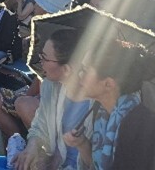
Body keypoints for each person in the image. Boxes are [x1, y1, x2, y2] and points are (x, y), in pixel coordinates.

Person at [0, 29, 92, 170]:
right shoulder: (51, 86)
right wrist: (31, 149)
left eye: (45, 58)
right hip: (52, 165)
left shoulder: (95, 105)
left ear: (66, 69)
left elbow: (100, 162)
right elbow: (39, 127)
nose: (40, 61)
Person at [65, 39, 155, 169]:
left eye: (85, 70)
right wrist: (82, 144)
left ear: (108, 84)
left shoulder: (139, 124)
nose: (79, 74)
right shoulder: (101, 111)